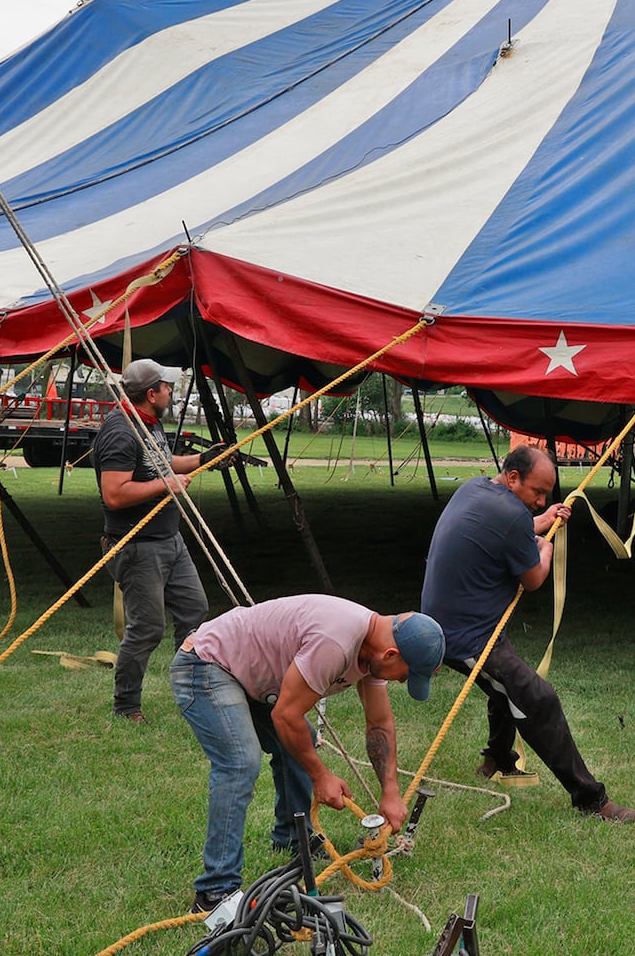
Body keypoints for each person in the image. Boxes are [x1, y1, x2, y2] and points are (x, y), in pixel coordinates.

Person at [169, 594, 446, 913]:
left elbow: (379, 723)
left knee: (301, 742)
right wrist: (321, 776)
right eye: (405, 674)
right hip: (205, 663)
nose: (400, 681)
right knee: (240, 763)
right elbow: (285, 715)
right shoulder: (337, 641)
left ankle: (292, 839)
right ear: (391, 653)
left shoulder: (374, 649)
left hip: (245, 676)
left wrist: (391, 792)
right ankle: (214, 893)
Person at [421, 445, 635, 824]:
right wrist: (544, 548)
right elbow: (535, 577)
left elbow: (509, 529)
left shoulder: (476, 489)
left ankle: (497, 760)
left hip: (447, 624)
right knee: (538, 698)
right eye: (537, 492)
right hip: (466, 637)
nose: (541, 499)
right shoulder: (509, 513)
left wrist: (541, 518)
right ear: (512, 478)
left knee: (503, 689)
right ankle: (592, 800)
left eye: (546, 494)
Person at [94, 358, 232, 722]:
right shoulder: (121, 431)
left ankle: (192, 690)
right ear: (151, 393)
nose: (171, 390)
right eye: (167, 386)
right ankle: (126, 706)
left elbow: (162, 462)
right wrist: (166, 486)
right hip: (136, 546)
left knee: (194, 610)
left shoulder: (148, 423)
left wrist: (205, 458)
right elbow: (114, 494)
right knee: (147, 628)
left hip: (168, 539)